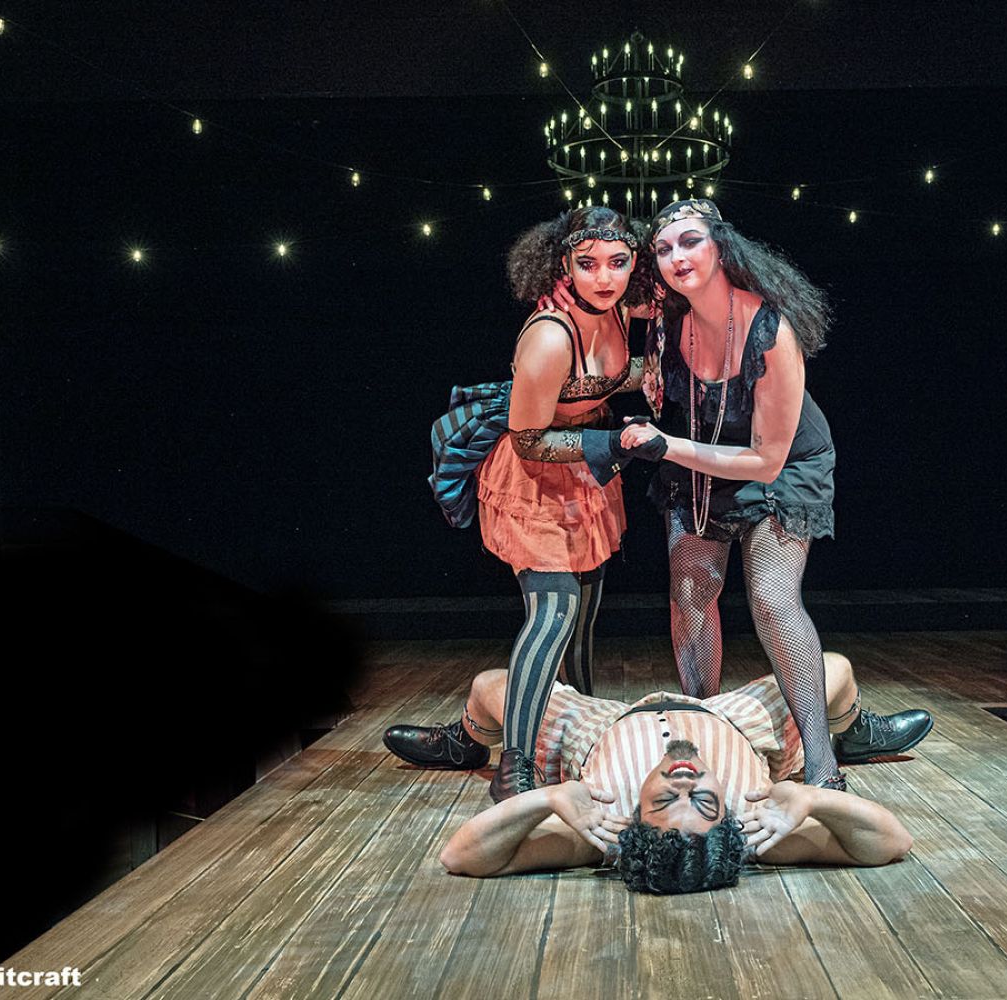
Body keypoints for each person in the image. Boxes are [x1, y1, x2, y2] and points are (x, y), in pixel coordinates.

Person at [617, 198, 918, 793]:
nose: (677, 256)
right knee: (689, 586)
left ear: (721, 246)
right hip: (700, 453)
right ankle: (698, 735)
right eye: (664, 248)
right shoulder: (666, 314)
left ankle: (825, 766)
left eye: (690, 242)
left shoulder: (770, 331)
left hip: (780, 465)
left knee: (773, 598)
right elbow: (589, 281)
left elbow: (766, 458)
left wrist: (665, 446)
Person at [385, 651, 919, 893]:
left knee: (490, 686)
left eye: (665, 803)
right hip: (733, 718)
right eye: (704, 803)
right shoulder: (751, 831)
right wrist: (812, 801)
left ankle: (466, 743)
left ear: (636, 821)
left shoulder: (605, 831)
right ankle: (851, 733)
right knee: (833, 670)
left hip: (597, 727)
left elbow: (460, 856)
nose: (685, 784)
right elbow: (892, 841)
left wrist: (549, 800)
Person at [454, 205, 661, 803]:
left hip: (587, 479)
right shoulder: (550, 335)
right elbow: (528, 438)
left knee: (587, 609)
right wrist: (608, 440)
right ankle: (514, 764)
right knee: (553, 613)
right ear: (563, 263)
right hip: (535, 477)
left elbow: (679, 309)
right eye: (588, 263)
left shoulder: (621, 307)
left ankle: (586, 729)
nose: (605, 277)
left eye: (619, 263)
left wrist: (648, 370)